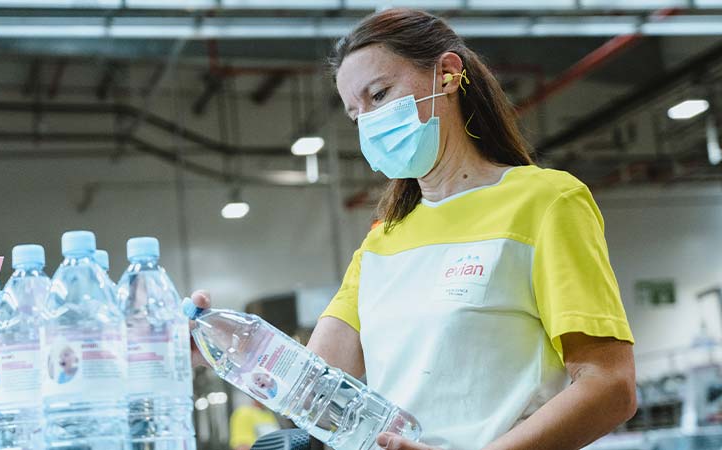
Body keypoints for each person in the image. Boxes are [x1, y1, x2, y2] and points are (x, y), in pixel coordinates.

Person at [191, 8, 636, 450]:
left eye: (379, 95)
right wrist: (220, 347)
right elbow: (308, 385)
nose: (368, 121)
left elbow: (610, 385)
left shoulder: (545, 202)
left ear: (447, 74)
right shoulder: (384, 240)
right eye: (355, 113)